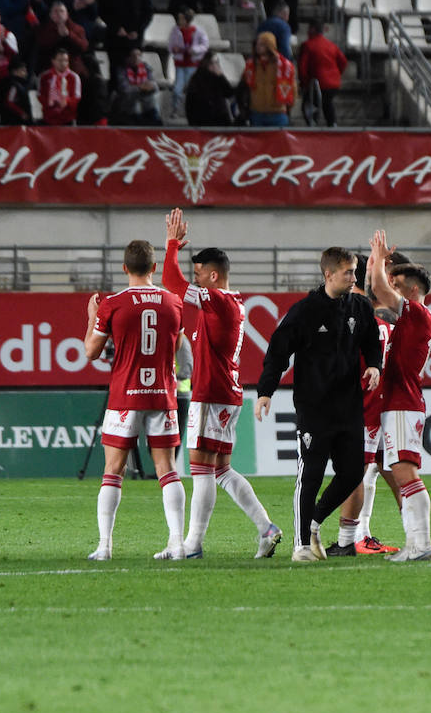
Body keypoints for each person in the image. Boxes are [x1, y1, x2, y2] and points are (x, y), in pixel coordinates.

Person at [160, 209, 283, 558]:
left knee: (201, 470)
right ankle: (266, 528)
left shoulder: (217, 300)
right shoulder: (231, 302)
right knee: (222, 470)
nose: (195, 280)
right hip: (227, 393)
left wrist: (171, 245)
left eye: (199, 274)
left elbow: (171, 282)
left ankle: (192, 545)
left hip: (211, 394)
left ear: (214, 276)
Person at [255, 246, 383, 562]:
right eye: (348, 272)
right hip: (314, 408)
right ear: (328, 274)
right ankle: (300, 545)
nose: (354, 278)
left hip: (349, 407)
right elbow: (278, 352)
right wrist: (265, 391)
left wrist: (374, 365)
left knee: (352, 473)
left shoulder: (361, 307)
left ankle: (313, 522)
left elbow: (371, 341)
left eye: (354, 271)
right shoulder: (305, 311)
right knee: (310, 474)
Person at [81, 239, 186, 560]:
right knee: (167, 469)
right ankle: (177, 543)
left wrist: (92, 317)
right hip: (162, 395)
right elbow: (177, 344)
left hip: (125, 396)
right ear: (154, 267)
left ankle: (105, 546)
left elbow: (91, 351)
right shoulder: (173, 302)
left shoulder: (113, 304)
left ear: (125, 268)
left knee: (113, 470)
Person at [325, 250, 403, 557]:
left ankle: (348, 540)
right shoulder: (384, 321)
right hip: (385, 405)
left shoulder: (350, 316)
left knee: (355, 472)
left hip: (361, 407)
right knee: (390, 470)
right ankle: (413, 533)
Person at [366, 230, 431, 561]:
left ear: (412, 291)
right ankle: (415, 543)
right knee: (398, 472)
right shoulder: (410, 319)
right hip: (399, 403)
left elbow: (380, 289)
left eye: (398, 285)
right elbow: (378, 289)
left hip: (402, 404)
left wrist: (379, 260)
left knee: (406, 474)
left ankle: (422, 545)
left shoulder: (418, 313)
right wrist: (376, 265)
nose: (391, 290)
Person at [100, 0, 152, 78]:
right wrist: (116, 28)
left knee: (135, 72)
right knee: (115, 71)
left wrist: (138, 30)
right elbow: (103, 10)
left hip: (135, 37)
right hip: (115, 37)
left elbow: (148, 12)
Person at [297, 21, 346, 126]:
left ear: (312, 29)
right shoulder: (332, 45)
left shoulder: (308, 45)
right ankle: (332, 124)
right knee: (327, 103)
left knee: (308, 104)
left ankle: (313, 124)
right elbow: (343, 62)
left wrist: (304, 83)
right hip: (333, 83)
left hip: (317, 83)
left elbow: (302, 67)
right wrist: (336, 75)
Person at [243, 31, 295, 126]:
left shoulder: (285, 66)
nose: (258, 47)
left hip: (278, 114)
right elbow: (245, 86)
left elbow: (293, 89)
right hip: (257, 113)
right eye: (257, 44)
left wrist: (288, 108)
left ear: (270, 46)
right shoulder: (250, 65)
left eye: (262, 44)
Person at [168, 9, 209, 117]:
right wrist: (174, 49)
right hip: (180, 65)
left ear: (187, 20)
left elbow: (205, 45)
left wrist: (195, 50)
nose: (179, 21)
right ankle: (175, 110)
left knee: (192, 90)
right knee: (177, 89)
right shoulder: (175, 30)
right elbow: (170, 45)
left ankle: (193, 111)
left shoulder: (198, 31)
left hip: (192, 65)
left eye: (181, 19)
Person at [35, 1, 90, 77]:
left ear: (67, 14)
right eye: (55, 11)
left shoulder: (77, 29)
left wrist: (69, 35)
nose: (59, 14)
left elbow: (83, 47)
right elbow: (42, 44)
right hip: (49, 68)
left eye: (61, 11)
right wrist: (58, 35)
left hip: (73, 68)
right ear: (50, 15)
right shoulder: (43, 28)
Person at [111, 46, 163, 125]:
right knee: (136, 107)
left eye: (139, 55)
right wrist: (140, 87)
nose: (136, 58)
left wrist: (150, 86)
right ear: (127, 58)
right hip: (128, 105)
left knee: (153, 104)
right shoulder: (121, 69)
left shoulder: (146, 67)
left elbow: (155, 86)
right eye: (133, 56)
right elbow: (124, 89)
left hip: (146, 104)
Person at [185, 50, 238, 125]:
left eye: (217, 63)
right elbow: (190, 104)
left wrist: (221, 76)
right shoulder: (197, 79)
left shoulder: (218, 78)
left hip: (218, 120)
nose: (216, 66)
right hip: (204, 121)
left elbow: (229, 93)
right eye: (213, 63)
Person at [38, 48, 82, 125]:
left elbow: (77, 97)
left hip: (67, 118)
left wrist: (66, 101)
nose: (63, 63)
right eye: (60, 60)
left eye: (66, 60)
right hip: (49, 118)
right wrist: (49, 102)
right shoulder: (44, 76)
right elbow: (40, 95)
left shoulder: (74, 77)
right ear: (53, 61)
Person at [0, 57, 33, 124]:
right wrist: (22, 113)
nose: (25, 73)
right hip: (14, 120)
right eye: (23, 71)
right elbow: (9, 102)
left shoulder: (19, 84)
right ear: (14, 72)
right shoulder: (13, 85)